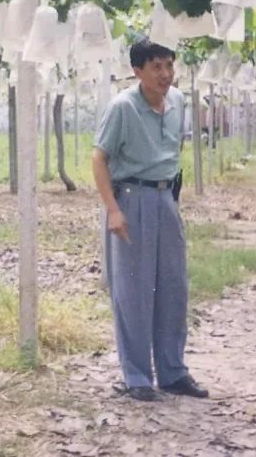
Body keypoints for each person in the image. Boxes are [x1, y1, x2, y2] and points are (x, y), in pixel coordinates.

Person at [91, 38, 207, 402]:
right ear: (137, 71)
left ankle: (173, 372)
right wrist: (113, 210)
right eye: (156, 67)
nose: (165, 74)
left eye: (169, 65)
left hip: (164, 197)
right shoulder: (123, 107)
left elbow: (175, 147)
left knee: (173, 287)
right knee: (134, 291)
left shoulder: (178, 101)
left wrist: (171, 193)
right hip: (131, 197)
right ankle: (137, 377)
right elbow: (99, 159)